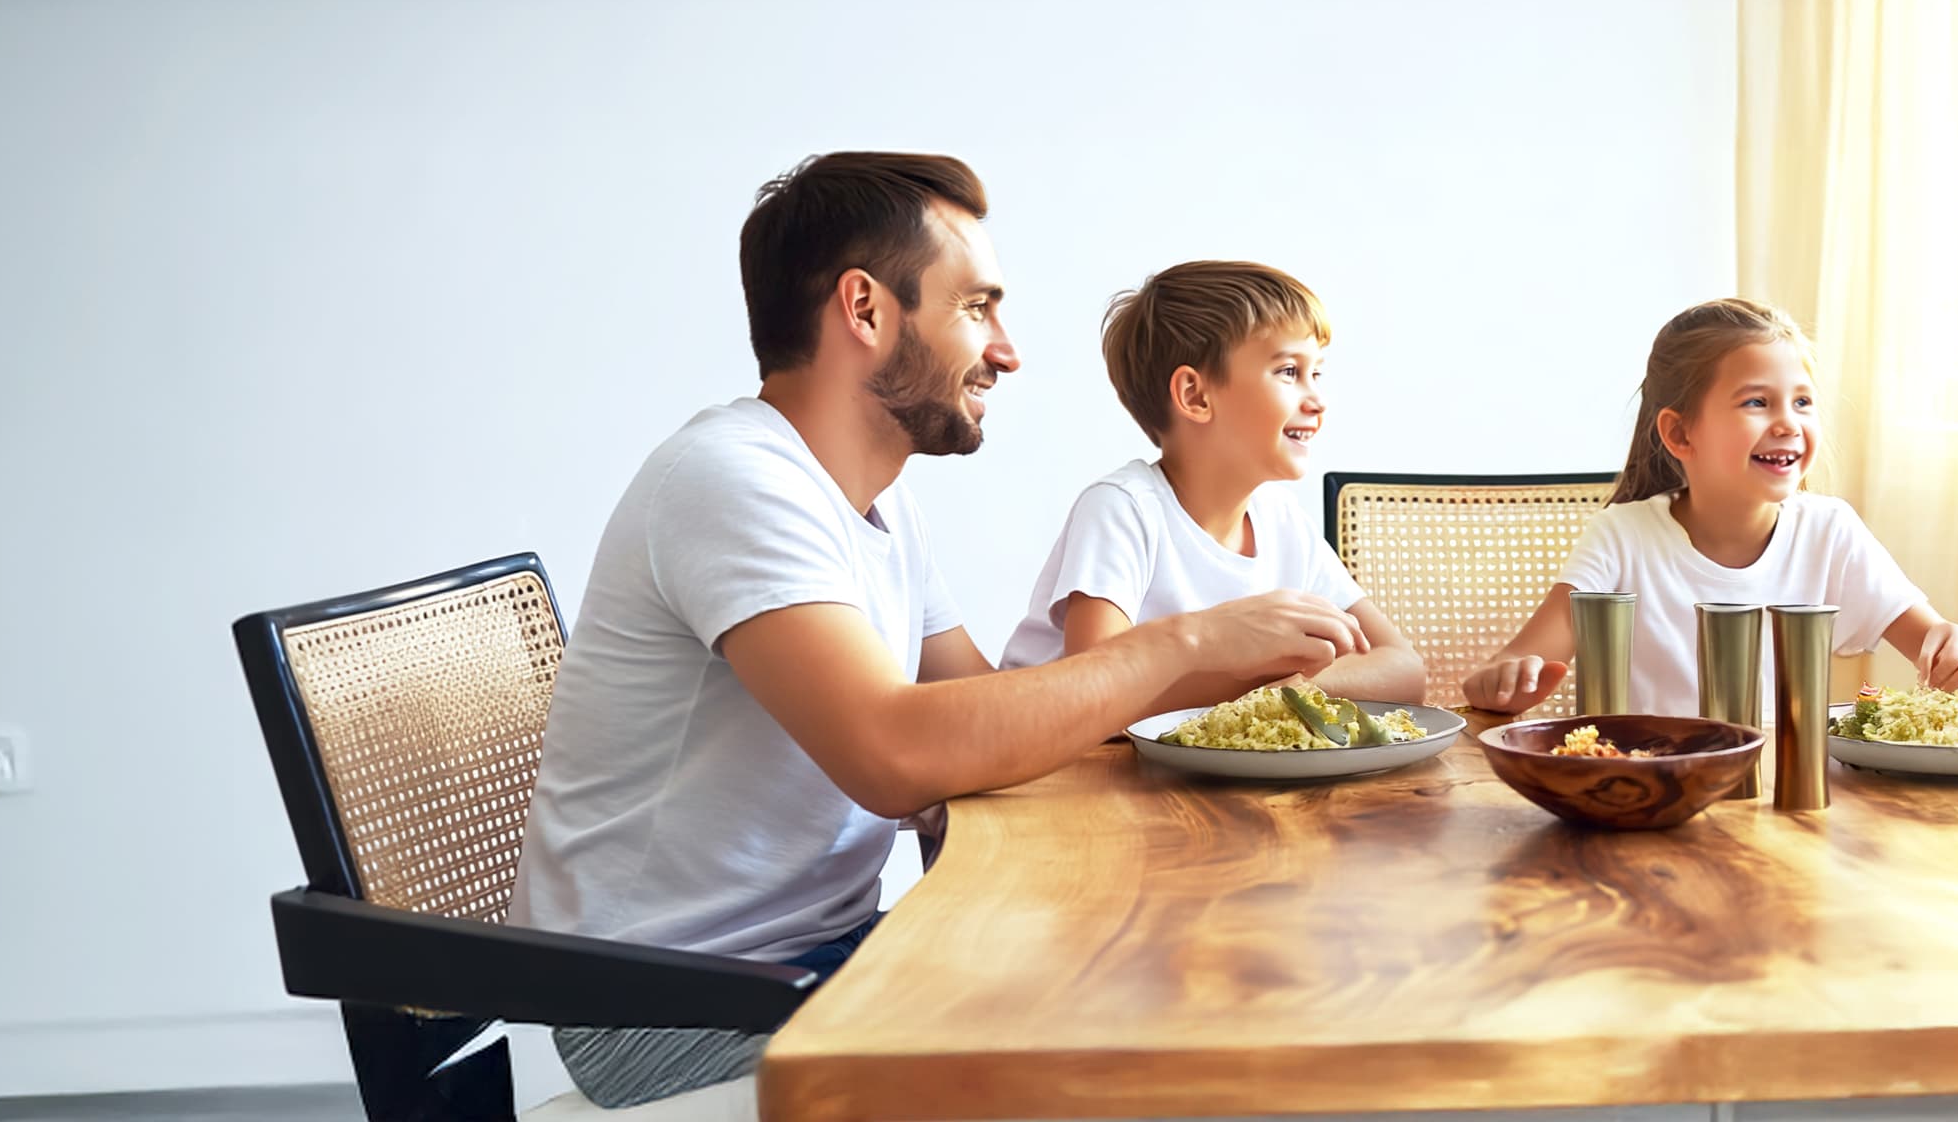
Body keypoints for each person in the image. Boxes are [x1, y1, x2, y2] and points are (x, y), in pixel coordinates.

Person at [508, 153, 1370, 1107]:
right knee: (1154, 1031)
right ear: (867, 310)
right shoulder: (734, 482)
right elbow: (896, 756)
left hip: (819, 959)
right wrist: (1191, 645)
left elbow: (972, 709)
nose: (1006, 350)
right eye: (977, 308)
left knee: (1190, 974)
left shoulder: (874, 505)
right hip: (672, 1011)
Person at [1462, 297, 1958, 714]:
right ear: (1680, 433)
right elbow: (1519, 662)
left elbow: (1933, 643)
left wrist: (1952, 649)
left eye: (1803, 402)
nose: (1789, 423)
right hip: (1653, 792)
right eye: (1757, 402)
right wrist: (1505, 681)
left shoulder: (1829, 532)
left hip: (1785, 795)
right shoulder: (1622, 537)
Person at [994, 260, 1423, 703]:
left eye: (1316, 372)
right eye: (1288, 372)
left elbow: (1404, 668)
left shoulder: (1282, 522)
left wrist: (1286, 692)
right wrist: (1264, 687)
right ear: (1195, 396)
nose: (1318, 400)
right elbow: (1096, 688)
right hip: (1063, 766)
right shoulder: (1123, 509)